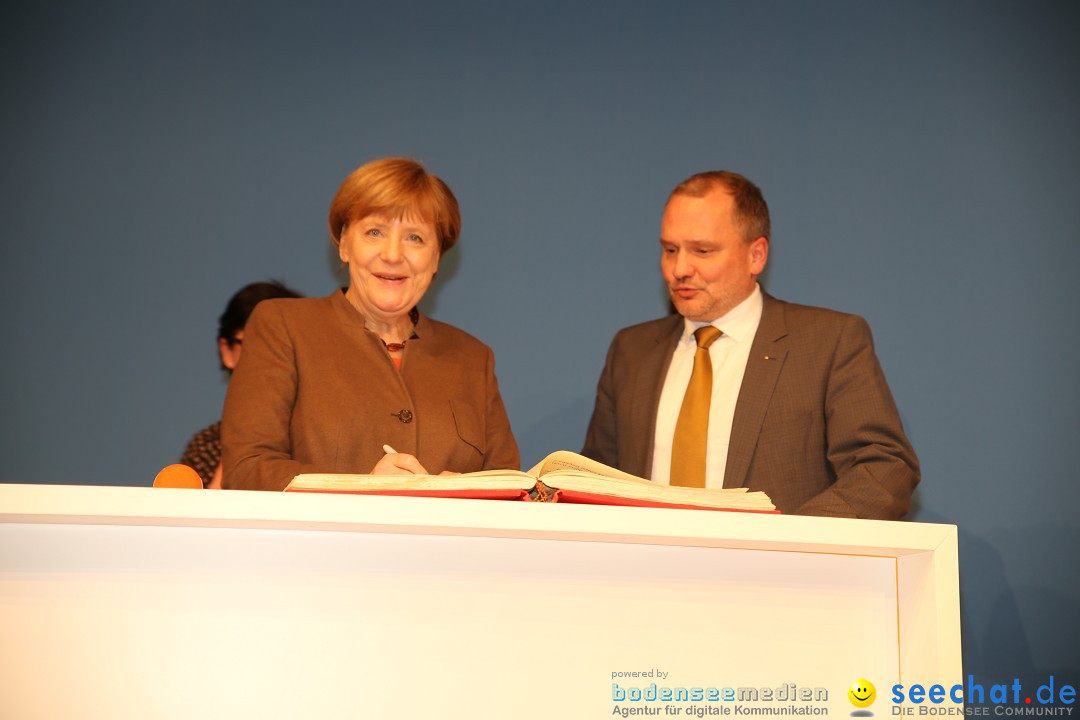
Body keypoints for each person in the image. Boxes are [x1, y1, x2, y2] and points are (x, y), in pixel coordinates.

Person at [581, 170, 919, 519]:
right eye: (670, 249)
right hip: (645, 569)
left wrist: (788, 544)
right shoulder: (631, 351)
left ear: (756, 255)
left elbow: (883, 470)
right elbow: (595, 481)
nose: (679, 268)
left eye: (702, 250)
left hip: (778, 570)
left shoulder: (828, 342)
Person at [221, 158, 520, 490]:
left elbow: (509, 489)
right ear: (345, 244)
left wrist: (469, 492)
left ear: (436, 258)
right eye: (375, 232)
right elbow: (248, 470)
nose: (393, 254)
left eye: (415, 238)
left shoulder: (473, 359)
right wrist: (365, 487)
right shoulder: (283, 326)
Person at [180, 280, 302, 488]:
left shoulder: (317, 436)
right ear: (226, 351)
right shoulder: (207, 445)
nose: (268, 359)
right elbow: (196, 517)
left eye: (284, 348)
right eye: (252, 345)